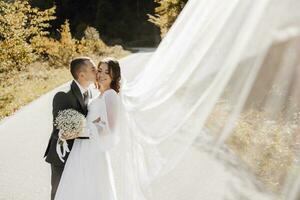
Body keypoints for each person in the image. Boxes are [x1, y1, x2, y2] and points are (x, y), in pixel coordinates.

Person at [54, 58, 121, 200]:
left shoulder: (110, 95)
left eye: (107, 72)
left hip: (94, 150)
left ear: (113, 76)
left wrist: (82, 130)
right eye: (99, 70)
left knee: (92, 189)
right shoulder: (96, 94)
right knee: (77, 189)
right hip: (81, 149)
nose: (100, 74)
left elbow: (110, 130)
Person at [43, 57, 97, 200]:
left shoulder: (90, 92)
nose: (96, 70)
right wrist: (83, 131)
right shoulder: (63, 95)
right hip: (63, 154)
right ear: (81, 75)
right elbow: (59, 128)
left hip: (80, 154)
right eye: (93, 68)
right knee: (60, 193)